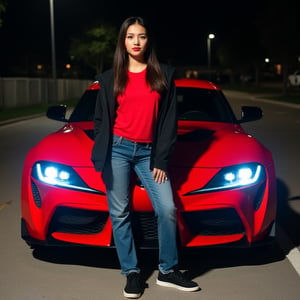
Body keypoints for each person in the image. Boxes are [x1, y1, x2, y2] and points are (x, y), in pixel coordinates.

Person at [91, 16, 200, 298]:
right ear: (122, 41)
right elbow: (101, 120)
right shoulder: (109, 77)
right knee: (120, 212)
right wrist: (101, 153)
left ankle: (167, 270)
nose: (136, 42)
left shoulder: (163, 74)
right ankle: (132, 273)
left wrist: (161, 159)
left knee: (166, 209)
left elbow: (169, 122)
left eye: (141, 36)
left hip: (149, 153)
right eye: (130, 36)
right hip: (117, 149)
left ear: (148, 40)